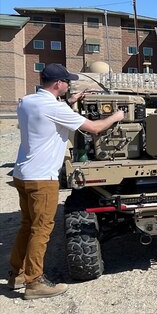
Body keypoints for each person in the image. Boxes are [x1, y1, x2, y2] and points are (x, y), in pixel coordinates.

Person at [9, 63, 124, 299]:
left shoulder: (27, 102)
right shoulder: (55, 108)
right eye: (66, 82)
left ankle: (17, 273)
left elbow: (48, 113)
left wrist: (70, 103)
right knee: (41, 230)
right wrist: (116, 116)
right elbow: (93, 127)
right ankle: (34, 283)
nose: (68, 85)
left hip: (23, 174)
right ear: (58, 84)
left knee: (27, 226)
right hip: (42, 178)